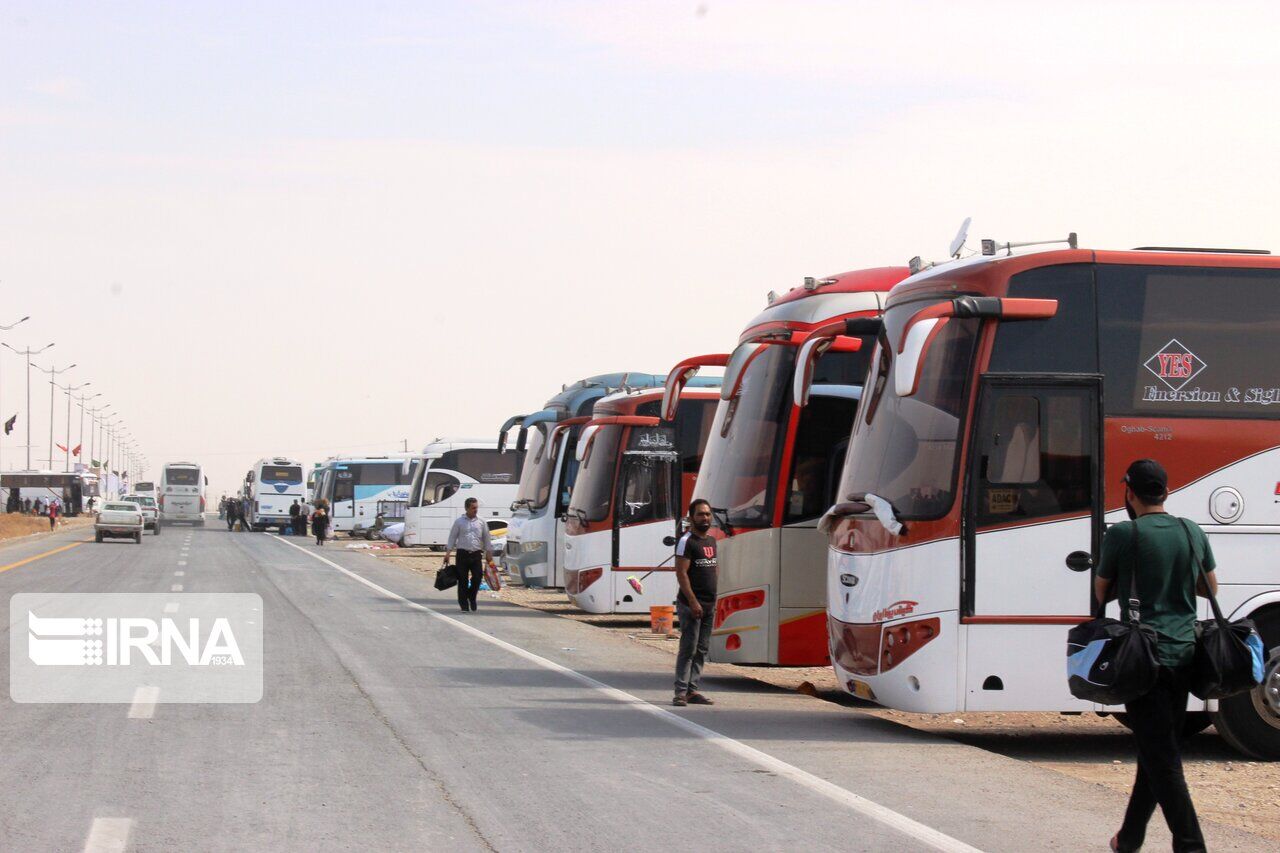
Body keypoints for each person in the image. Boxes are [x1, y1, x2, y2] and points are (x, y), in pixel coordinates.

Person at [1096, 459, 1215, 853]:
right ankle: (1129, 839)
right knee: (1157, 747)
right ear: (1165, 491)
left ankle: (1191, 845)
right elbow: (1209, 586)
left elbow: (1101, 593)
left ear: (1130, 493)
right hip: (1184, 655)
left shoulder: (1124, 534)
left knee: (1161, 757)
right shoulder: (1190, 530)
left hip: (1140, 658)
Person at [672, 498, 717, 707]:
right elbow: (681, 573)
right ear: (691, 517)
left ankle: (692, 690)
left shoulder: (711, 541)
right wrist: (693, 602)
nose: (705, 518)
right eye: (700, 514)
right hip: (691, 604)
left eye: (707, 514)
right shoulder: (686, 541)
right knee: (688, 648)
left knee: (702, 649)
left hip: (709, 604)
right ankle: (680, 692)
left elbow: (712, 570)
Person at [444, 497, 492, 613]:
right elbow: (452, 537)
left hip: (476, 554)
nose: (475, 510)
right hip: (462, 554)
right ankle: (464, 605)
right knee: (462, 580)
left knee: (477, 578)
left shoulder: (481, 521)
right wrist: (448, 553)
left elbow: (486, 538)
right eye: (473, 508)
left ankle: (471, 596)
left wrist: (488, 553)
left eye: (476, 508)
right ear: (467, 508)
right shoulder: (459, 522)